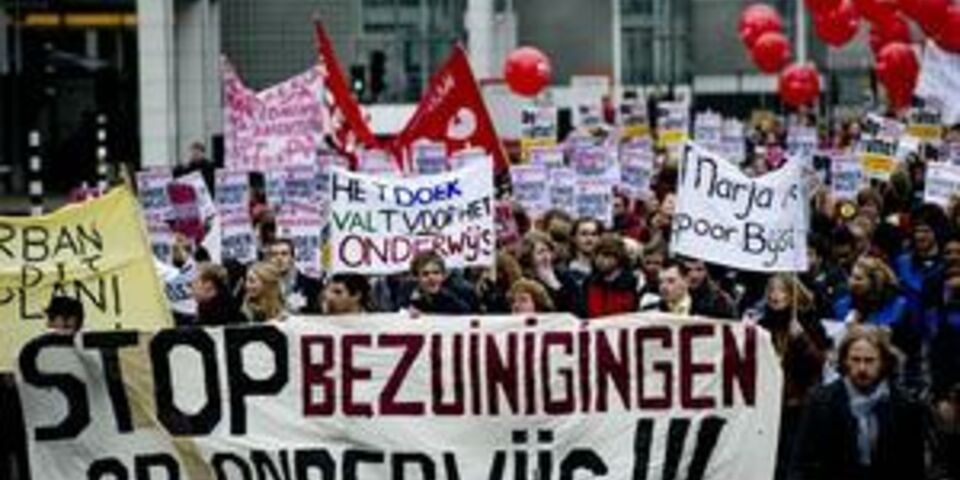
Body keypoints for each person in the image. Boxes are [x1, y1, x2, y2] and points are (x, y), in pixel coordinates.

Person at [788, 325, 926, 480]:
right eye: (855, 360)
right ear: (845, 361)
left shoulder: (904, 405)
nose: (862, 368)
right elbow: (802, 463)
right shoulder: (821, 402)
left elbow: (913, 467)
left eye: (869, 361)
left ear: (883, 362)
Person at [578, 233, 638, 319]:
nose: (600, 259)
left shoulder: (631, 283)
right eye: (597, 254)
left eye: (606, 255)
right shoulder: (589, 282)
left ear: (618, 258)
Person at [518, 231, 578, 312]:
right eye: (540, 252)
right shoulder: (525, 282)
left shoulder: (564, 275)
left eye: (548, 251)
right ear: (529, 257)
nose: (546, 256)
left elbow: (576, 305)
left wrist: (555, 284)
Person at [406, 251, 472, 315]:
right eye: (425, 274)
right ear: (416, 277)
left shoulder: (452, 301)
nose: (431, 278)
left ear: (443, 276)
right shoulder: (409, 297)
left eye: (436, 273)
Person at [268, 238, 322, 314]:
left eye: (284, 254)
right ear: (268, 260)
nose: (279, 258)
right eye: (274, 255)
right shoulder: (263, 286)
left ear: (293, 258)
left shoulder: (314, 286)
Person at [567, 218, 603, 284]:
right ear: (573, 238)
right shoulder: (564, 268)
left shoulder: (605, 270)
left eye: (594, 234)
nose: (589, 238)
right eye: (584, 234)